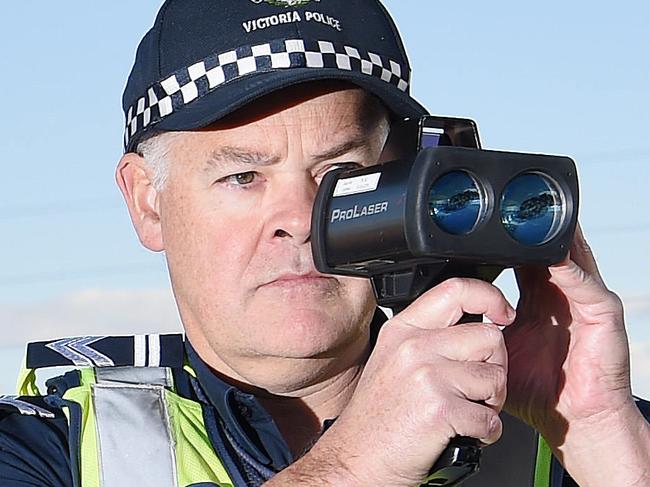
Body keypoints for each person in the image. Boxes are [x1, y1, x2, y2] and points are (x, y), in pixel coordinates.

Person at [1, 1, 648, 486]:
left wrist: (598, 432)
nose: (300, 218)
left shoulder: (581, 435)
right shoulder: (43, 446)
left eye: (341, 175)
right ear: (148, 201)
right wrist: (357, 463)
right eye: (243, 175)